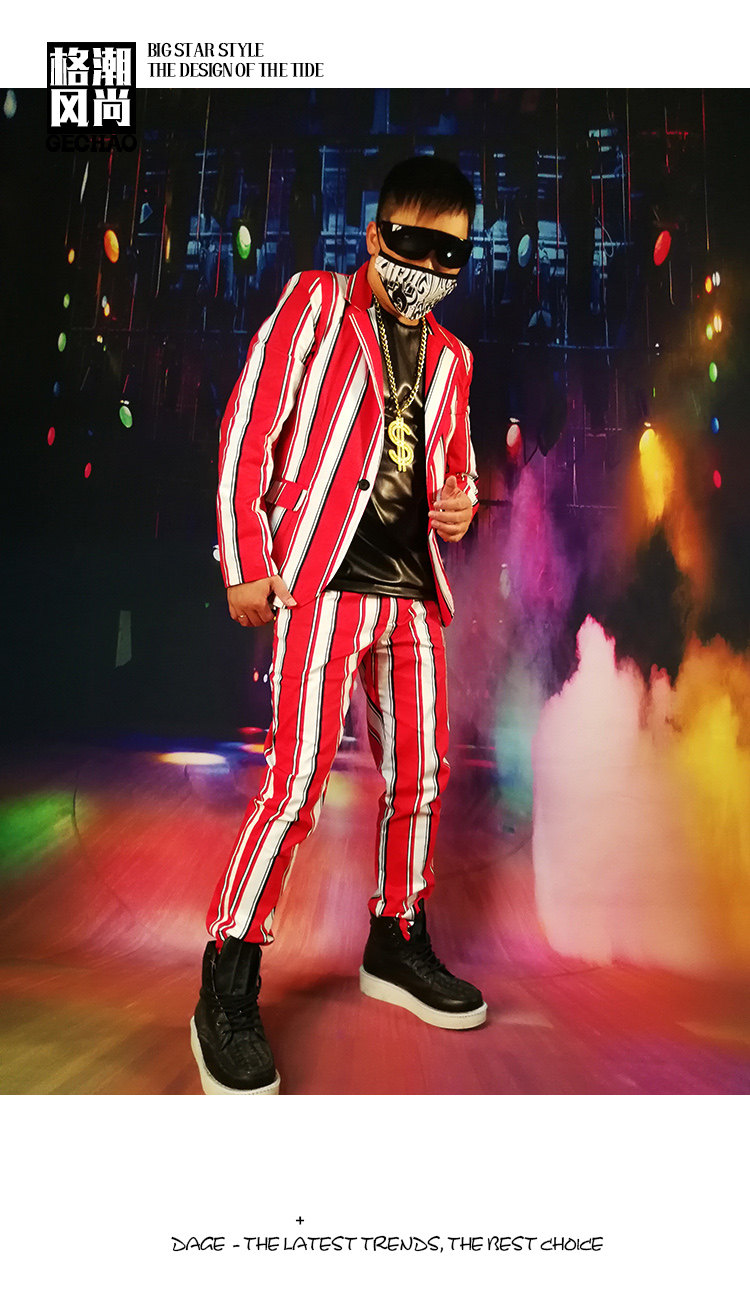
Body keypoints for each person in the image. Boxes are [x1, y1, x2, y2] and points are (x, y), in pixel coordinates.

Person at [191, 154, 487, 1095]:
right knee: (296, 784)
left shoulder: (454, 359)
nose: (428, 266)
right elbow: (249, 428)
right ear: (374, 235)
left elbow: (455, 469)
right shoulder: (317, 305)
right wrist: (247, 559)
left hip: (413, 593)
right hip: (322, 583)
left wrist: (461, 503)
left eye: (449, 254)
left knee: (422, 776)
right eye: (411, 244)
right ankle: (229, 972)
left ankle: (396, 937)